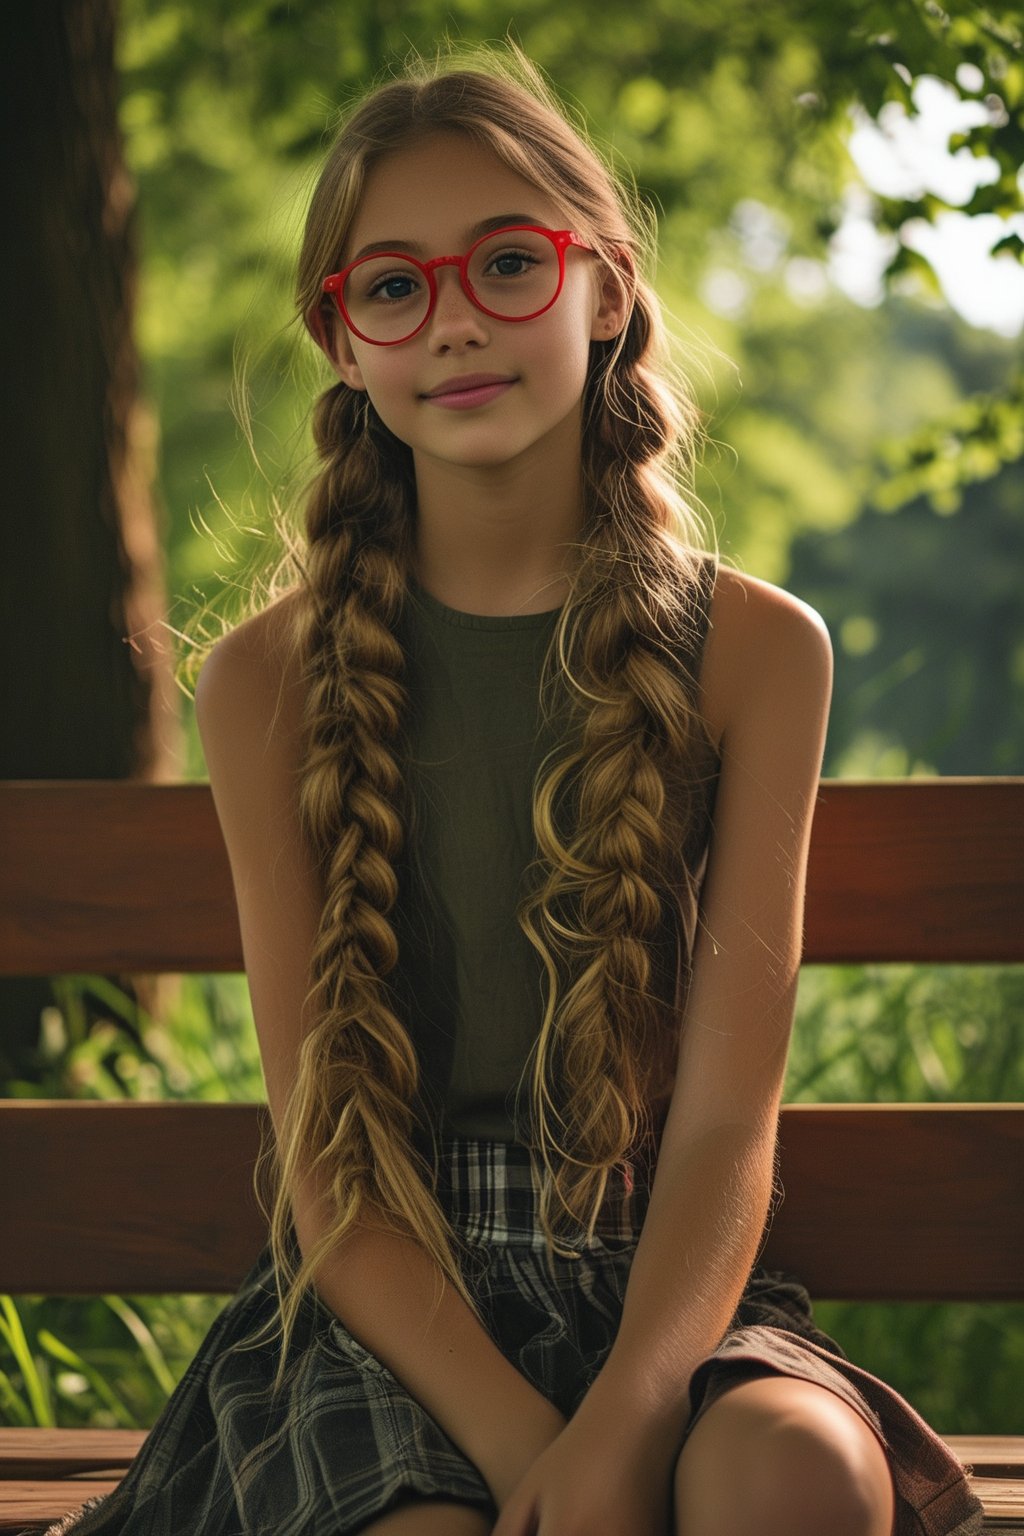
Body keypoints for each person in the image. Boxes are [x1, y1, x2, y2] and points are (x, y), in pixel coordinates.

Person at [41, 43, 982, 1536]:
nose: (457, 324)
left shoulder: (753, 651)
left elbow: (731, 1124)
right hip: (379, 1307)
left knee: (792, 1477)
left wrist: (622, 1420)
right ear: (342, 341)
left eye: (506, 265)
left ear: (605, 291)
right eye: (396, 287)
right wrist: (518, 1435)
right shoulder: (271, 683)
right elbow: (326, 1159)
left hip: (668, 1283)